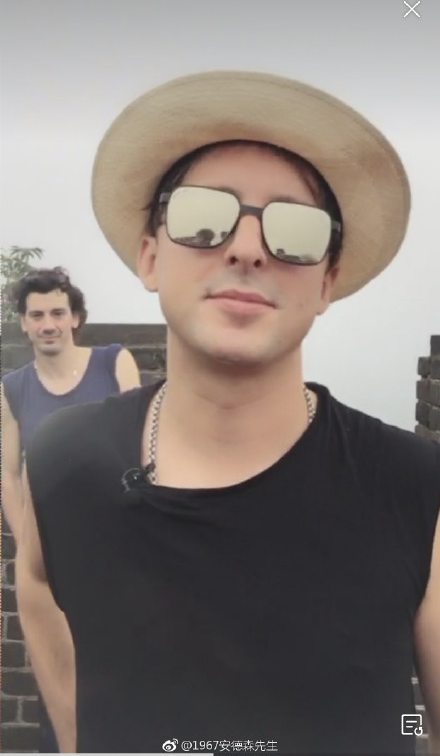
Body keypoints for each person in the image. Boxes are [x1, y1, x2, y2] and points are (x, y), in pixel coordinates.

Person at [15, 72, 440, 755]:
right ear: (150, 257)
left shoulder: (412, 486)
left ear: (327, 281)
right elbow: (38, 588)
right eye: (202, 218)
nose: (247, 249)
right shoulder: (65, 460)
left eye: (294, 230)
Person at [2, 265, 141, 752]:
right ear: (24, 323)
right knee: (58, 690)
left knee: (122, 677)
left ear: (75, 317)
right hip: (52, 564)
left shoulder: (114, 362)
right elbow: (8, 472)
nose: (48, 324)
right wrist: (29, 548)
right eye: (37, 315)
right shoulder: (14, 388)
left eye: (58, 313)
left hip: (116, 552)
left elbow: (136, 450)